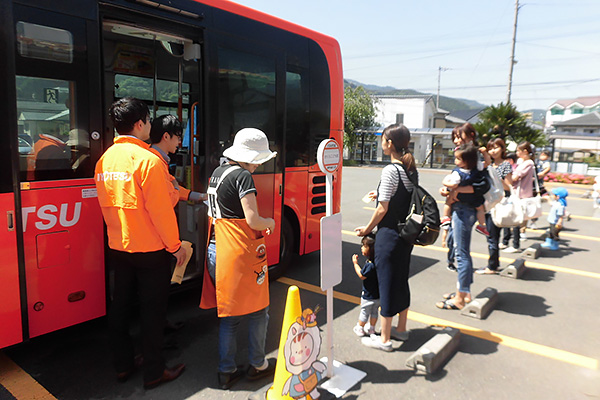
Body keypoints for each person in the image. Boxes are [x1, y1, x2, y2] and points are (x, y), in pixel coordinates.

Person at [94, 97, 186, 389]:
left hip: (118, 246)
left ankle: (123, 365)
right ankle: (154, 372)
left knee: (119, 308)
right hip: (150, 250)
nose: (150, 125)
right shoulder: (148, 161)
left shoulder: (104, 160)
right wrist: (176, 247)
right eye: (148, 120)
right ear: (139, 124)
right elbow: (160, 212)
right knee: (152, 312)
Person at [199, 128, 277, 389]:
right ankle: (258, 364)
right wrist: (271, 223)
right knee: (258, 311)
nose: (258, 165)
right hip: (239, 252)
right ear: (251, 157)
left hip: (215, 248)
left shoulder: (217, 173)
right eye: (259, 160)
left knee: (229, 315)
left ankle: (226, 371)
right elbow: (253, 219)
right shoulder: (243, 176)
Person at [355, 124, 416, 351]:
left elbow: (383, 210)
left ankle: (385, 339)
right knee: (400, 280)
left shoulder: (391, 170)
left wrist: (367, 229)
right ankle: (401, 329)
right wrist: (378, 193)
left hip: (388, 235)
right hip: (405, 236)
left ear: (390, 143)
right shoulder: (410, 169)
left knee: (387, 284)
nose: (382, 143)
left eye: (383, 139)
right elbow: (401, 198)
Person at [149, 114, 207, 203]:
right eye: (178, 137)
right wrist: (175, 187)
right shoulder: (154, 162)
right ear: (166, 137)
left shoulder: (152, 158)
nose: (180, 142)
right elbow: (169, 196)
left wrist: (200, 196)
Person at [476, 138, 513, 274]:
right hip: (488, 204)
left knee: (492, 236)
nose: (493, 151)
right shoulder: (488, 166)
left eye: (496, 147)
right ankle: (494, 263)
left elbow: (510, 185)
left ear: (503, 148)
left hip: (499, 204)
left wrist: (497, 180)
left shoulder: (505, 165)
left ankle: (492, 266)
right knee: (491, 236)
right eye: (490, 148)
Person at [440, 144, 490, 244]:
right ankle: (482, 225)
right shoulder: (477, 167)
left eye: (458, 159)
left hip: (459, 197)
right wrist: (485, 153)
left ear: (467, 160)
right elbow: (488, 162)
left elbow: (453, 185)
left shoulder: (457, 173)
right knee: (480, 208)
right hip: (473, 197)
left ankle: (445, 217)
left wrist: (445, 183)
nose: (456, 161)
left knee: (448, 203)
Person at [503, 142, 536, 253]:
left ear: (525, 151)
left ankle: (515, 245)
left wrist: (507, 174)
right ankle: (506, 241)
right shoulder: (523, 162)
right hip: (517, 193)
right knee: (511, 218)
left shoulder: (528, 163)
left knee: (515, 220)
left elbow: (515, 177)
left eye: (518, 151)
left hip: (520, 194)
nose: (517, 153)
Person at [351, 234, 379, 337]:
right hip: (377, 294)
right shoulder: (378, 262)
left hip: (368, 295)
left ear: (370, 249)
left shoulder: (370, 265)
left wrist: (355, 264)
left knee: (364, 312)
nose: (361, 248)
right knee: (374, 312)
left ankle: (360, 328)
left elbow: (362, 275)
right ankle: (372, 329)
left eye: (364, 246)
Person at [500, 152, 519, 249]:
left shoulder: (514, 168)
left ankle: (514, 244)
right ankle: (506, 241)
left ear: (510, 160)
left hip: (513, 195)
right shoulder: (514, 167)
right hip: (511, 195)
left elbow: (512, 181)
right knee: (508, 218)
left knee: (512, 219)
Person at [529, 150, 551, 229]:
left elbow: (548, 168)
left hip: (538, 186)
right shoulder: (534, 161)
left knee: (537, 203)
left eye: (544, 154)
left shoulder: (545, 163)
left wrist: (542, 173)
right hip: (530, 186)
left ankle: (533, 222)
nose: (542, 155)